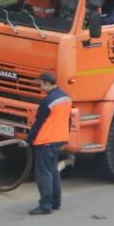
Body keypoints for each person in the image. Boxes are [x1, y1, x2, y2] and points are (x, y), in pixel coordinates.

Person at [23, 72, 71, 215]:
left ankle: (45, 205)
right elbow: (68, 120)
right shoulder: (66, 97)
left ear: (47, 83)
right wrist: (65, 139)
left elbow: (39, 123)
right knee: (53, 172)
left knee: (44, 174)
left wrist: (28, 140)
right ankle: (55, 202)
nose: (41, 87)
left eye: (41, 84)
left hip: (44, 141)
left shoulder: (48, 101)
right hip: (58, 139)